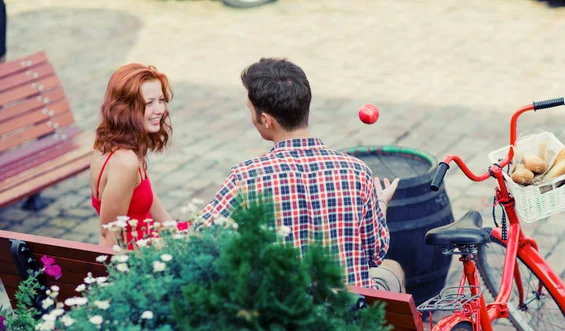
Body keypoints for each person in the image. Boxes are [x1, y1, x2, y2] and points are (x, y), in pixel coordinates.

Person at [193, 57, 405, 292]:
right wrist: (381, 202)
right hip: (346, 320)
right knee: (393, 269)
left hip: (282, 321)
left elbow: (199, 242)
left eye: (250, 110)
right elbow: (376, 253)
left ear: (265, 120)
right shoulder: (357, 171)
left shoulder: (245, 177)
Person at [90, 63, 174, 248]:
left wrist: (178, 234)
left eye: (161, 100)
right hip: (137, 256)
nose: (160, 109)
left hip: (150, 240)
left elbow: (151, 202)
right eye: (149, 103)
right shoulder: (125, 163)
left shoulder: (121, 146)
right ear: (125, 109)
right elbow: (108, 236)